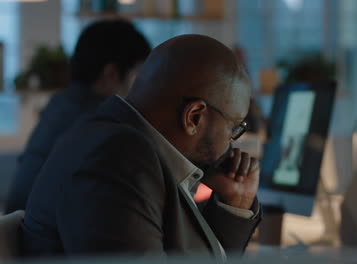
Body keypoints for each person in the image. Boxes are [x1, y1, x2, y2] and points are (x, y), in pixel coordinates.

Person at [22, 34, 262, 260]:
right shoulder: (118, 161)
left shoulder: (121, 144)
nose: (232, 141)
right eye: (234, 127)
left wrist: (233, 208)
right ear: (194, 117)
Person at [5, 19, 151, 213]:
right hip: (46, 238)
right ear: (111, 74)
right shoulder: (100, 123)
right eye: (139, 75)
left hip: (22, 230)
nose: (143, 87)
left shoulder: (61, 105)